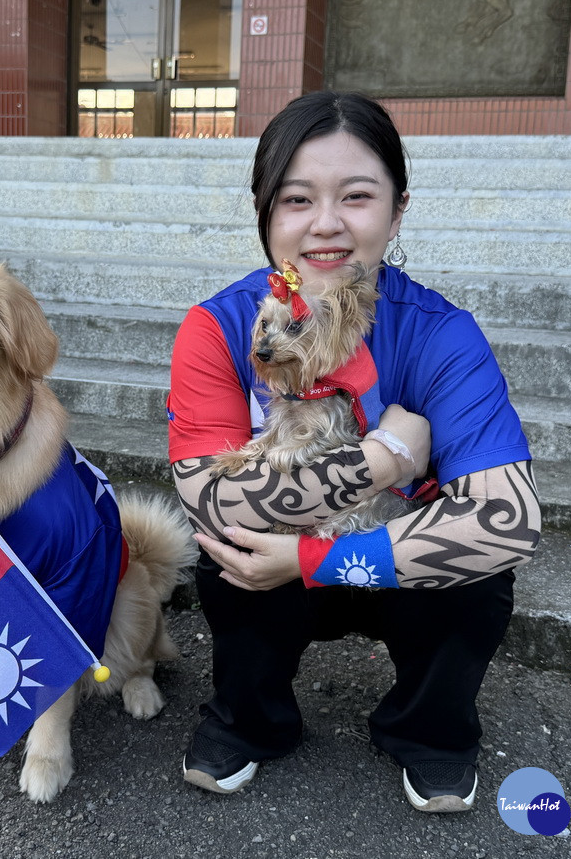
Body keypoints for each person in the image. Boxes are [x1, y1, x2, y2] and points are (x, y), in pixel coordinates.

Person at [167, 91, 541, 812]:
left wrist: (318, 558)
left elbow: (509, 521)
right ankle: (249, 719)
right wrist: (387, 458)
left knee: (479, 573)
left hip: (388, 560)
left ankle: (432, 732)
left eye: (358, 196)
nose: (327, 223)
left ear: (398, 210)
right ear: (266, 211)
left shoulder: (441, 333)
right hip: (277, 565)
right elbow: (209, 496)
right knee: (227, 543)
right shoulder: (218, 326)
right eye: (297, 198)